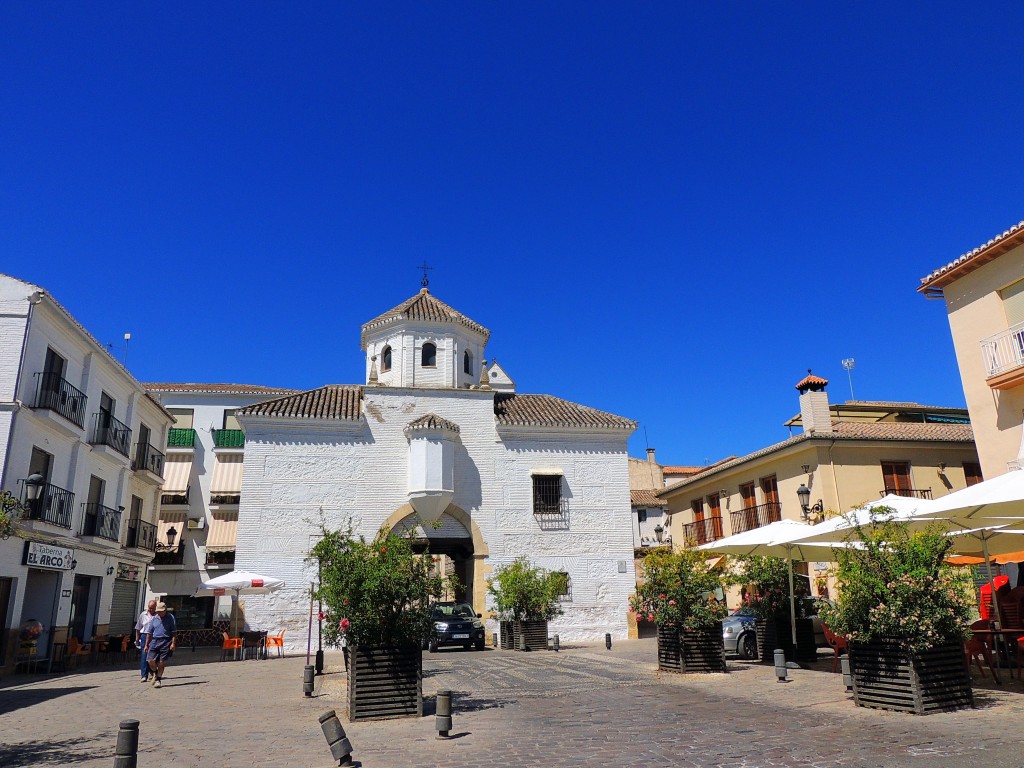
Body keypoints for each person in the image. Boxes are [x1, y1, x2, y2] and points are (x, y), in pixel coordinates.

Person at [144, 602, 177, 689]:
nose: (160, 613)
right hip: (154, 641)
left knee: (161, 661)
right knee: (150, 661)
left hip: (166, 641)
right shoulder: (154, 618)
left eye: (162, 611)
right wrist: (146, 645)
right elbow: (149, 633)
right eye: (158, 611)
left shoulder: (170, 618)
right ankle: (155, 672)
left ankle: (158, 679)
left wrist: (173, 643)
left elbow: (174, 632)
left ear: (165, 610)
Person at [134, 599, 157, 683]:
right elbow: (138, 627)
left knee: (153, 656)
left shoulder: (157, 616)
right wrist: (137, 639)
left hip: (154, 637)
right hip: (144, 636)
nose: (151, 610)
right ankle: (144, 675)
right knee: (144, 655)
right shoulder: (143, 615)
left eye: (153, 608)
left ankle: (152, 672)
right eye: (150, 608)